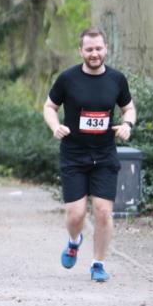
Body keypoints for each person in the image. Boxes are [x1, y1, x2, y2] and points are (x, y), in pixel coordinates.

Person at [43, 27, 136, 282]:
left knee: (103, 211)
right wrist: (55, 126)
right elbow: (50, 106)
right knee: (76, 214)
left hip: (104, 154)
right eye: (89, 49)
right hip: (74, 154)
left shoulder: (117, 79)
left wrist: (127, 125)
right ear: (81, 51)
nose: (94, 54)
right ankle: (74, 241)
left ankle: (98, 263)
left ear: (106, 49)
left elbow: (129, 108)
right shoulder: (68, 79)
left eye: (98, 49)